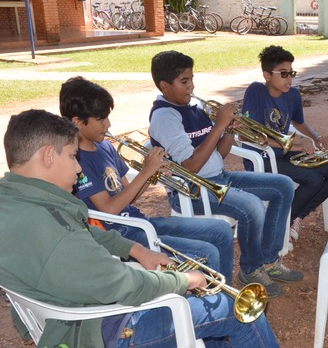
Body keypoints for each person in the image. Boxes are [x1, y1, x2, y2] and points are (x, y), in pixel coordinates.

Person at [0, 109, 279, 348]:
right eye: (73, 157)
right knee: (233, 310)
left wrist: (134, 249)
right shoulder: (51, 231)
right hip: (103, 329)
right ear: (48, 156)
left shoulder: (16, 200)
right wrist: (185, 281)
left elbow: (83, 230)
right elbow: (125, 285)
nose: (78, 170)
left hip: (73, 311)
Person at [148, 50, 302, 298]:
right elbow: (190, 166)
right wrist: (219, 125)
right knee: (252, 207)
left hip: (218, 178)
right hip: (192, 188)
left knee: (282, 186)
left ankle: (268, 260)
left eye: (192, 79)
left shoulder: (194, 107)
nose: (191, 86)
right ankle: (250, 270)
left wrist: (229, 131)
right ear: (165, 86)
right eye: (184, 82)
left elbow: (219, 152)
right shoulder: (165, 116)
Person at [59, 76, 235, 283]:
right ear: (77, 122)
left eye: (107, 117)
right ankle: (208, 307)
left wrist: (151, 174)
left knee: (221, 230)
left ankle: (226, 298)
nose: (108, 124)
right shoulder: (76, 160)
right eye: (101, 119)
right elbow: (108, 210)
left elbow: (126, 196)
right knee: (207, 253)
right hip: (120, 236)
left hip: (139, 222)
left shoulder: (105, 146)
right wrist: (145, 173)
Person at [241, 45, 328, 243]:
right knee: (313, 179)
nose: (289, 78)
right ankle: (278, 225)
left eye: (291, 73)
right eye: (283, 74)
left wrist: (316, 138)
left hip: (284, 153)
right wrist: (294, 146)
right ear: (267, 75)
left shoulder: (293, 95)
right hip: (261, 157)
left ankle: (294, 217)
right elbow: (247, 136)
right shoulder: (255, 91)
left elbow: (298, 121)